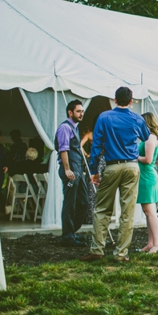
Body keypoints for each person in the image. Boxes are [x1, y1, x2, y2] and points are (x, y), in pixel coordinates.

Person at [80, 87, 150, 263]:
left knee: (102, 208)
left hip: (112, 166)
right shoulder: (137, 118)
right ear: (132, 100)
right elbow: (146, 136)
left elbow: (96, 146)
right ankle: (120, 253)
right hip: (132, 166)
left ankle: (97, 249)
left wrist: (94, 170)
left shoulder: (104, 117)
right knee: (128, 211)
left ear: (114, 99)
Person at [55, 100, 89, 247]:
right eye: (78, 111)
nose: (81, 114)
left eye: (82, 111)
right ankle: (68, 237)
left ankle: (70, 232)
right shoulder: (65, 127)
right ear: (70, 112)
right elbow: (63, 149)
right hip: (70, 170)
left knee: (84, 201)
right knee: (70, 202)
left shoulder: (75, 128)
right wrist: (67, 169)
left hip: (78, 170)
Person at [135, 112, 158, 254]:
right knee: (147, 212)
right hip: (144, 176)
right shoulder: (147, 138)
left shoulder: (151, 138)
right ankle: (150, 243)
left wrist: (134, 156)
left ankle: (157, 244)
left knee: (150, 211)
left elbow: (147, 159)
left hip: (147, 176)